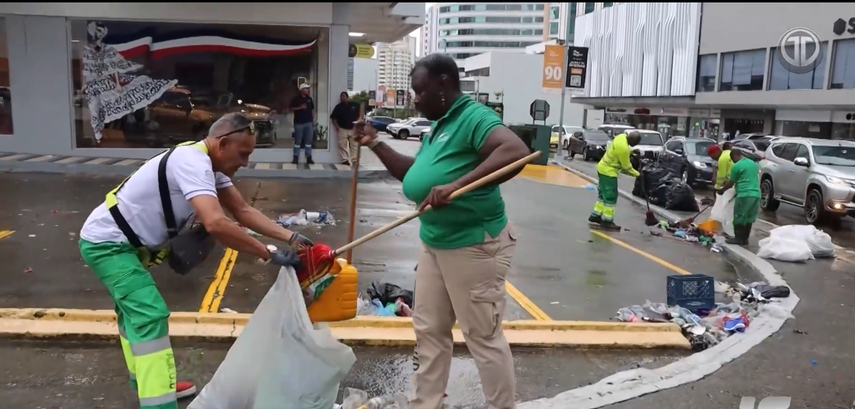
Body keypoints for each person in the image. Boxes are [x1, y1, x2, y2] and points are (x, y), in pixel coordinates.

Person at [78, 113, 314, 409]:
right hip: (107, 245)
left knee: (133, 314)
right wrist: (267, 253)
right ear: (223, 143)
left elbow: (241, 210)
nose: (245, 163)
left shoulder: (209, 165)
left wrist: (290, 237)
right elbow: (215, 223)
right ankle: (158, 401)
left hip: (126, 246)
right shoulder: (192, 162)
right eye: (243, 154)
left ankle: (153, 380)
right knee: (149, 314)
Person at [353, 53, 530, 409]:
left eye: (420, 91)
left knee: (483, 337)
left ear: (444, 84)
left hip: (474, 246)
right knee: (429, 332)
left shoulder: (472, 117)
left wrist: (455, 185)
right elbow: (414, 174)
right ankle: (426, 404)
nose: (415, 99)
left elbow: (516, 151)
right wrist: (375, 143)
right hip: (434, 243)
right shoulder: (438, 126)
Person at [589, 130, 641, 229]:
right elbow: (626, 167)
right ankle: (607, 221)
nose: (635, 145)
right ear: (633, 141)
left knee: (602, 194)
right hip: (609, 172)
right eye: (636, 143)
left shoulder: (621, 137)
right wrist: (637, 174)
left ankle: (595, 215)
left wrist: (631, 152)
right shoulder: (624, 149)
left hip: (602, 167)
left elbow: (619, 151)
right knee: (610, 196)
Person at [717, 147, 760, 245]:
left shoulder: (736, 166)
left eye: (732, 159)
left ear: (735, 156)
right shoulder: (752, 163)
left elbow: (731, 183)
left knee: (739, 216)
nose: (733, 161)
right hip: (756, 194)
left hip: (744, 194)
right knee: (749, 217)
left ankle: (738, 239)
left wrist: (722, 190)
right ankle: (745, 239)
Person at [330, 91, 361, 166]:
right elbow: (333, 118)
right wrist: (337, 127)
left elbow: (360, 114)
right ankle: (345, 159)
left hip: (352, 128)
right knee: (342, 145)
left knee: (353, 145)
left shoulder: (354, 105)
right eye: (341, 96)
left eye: (344, 96)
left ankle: (354, 160)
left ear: (347, 97)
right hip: (342, 129)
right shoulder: (338, 107)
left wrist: (357, 125)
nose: (342, 98)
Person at [290, 83, 316, 165]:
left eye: (308, 88)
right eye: (306, 88)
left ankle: (309, 157)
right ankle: (295, 157)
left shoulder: (309, 99)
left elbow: (312, 109)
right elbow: (291, 108)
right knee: (298, 140)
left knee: (308, 141)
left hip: (308, 122)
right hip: (299, 123)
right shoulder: (296, 99)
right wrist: (300, 108)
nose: (307, 90)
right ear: (301, 90)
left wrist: (313, 119)